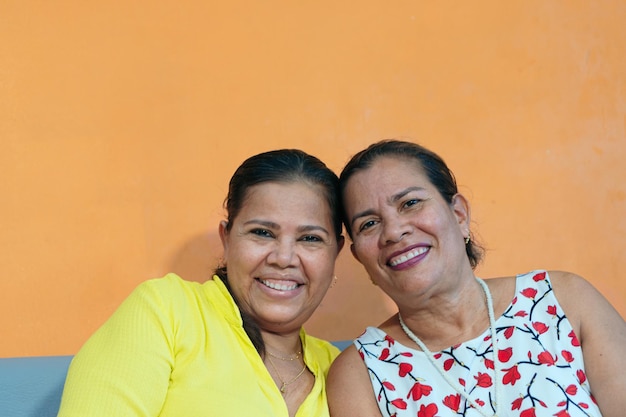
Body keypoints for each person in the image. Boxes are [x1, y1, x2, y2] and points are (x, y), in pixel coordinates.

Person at [327, 139, 626, 417]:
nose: (393, 232)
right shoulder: (361, 373)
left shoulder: (562, 300)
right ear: (360, 258)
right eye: (369, 223)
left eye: (410, 203)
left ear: (459, 214)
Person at [57, 149, 345, 417]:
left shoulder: (342, 370)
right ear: (227, 240)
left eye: (310, 239)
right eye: (262, 232)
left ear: (336, 254)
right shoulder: (167, 311)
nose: (284, 258)